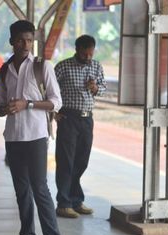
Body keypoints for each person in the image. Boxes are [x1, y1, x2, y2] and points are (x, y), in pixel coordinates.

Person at [0, 20, 64, 235]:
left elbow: (56, 102)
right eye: (21, 40)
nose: (25, 44)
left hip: (35, 136)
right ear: (11, 41)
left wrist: (28, 104)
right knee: (21, 191)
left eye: (29, 40)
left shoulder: (42, 66)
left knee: (40, 189)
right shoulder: (4, 70)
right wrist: (6, 107)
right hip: (13, 137)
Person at [54, 35, 106, 219]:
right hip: (68, 118)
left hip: (87, 120)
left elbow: (103, 87)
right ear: (77, 50)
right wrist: (53, 112)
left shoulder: (96, 66)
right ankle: (63, 203)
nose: (88, 57)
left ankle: (76, 200)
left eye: (91, 54)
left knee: (81, 161)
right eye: (84, 54)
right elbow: (49, 89)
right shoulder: (63, 66)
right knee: (66, 161)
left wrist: (95, 88)